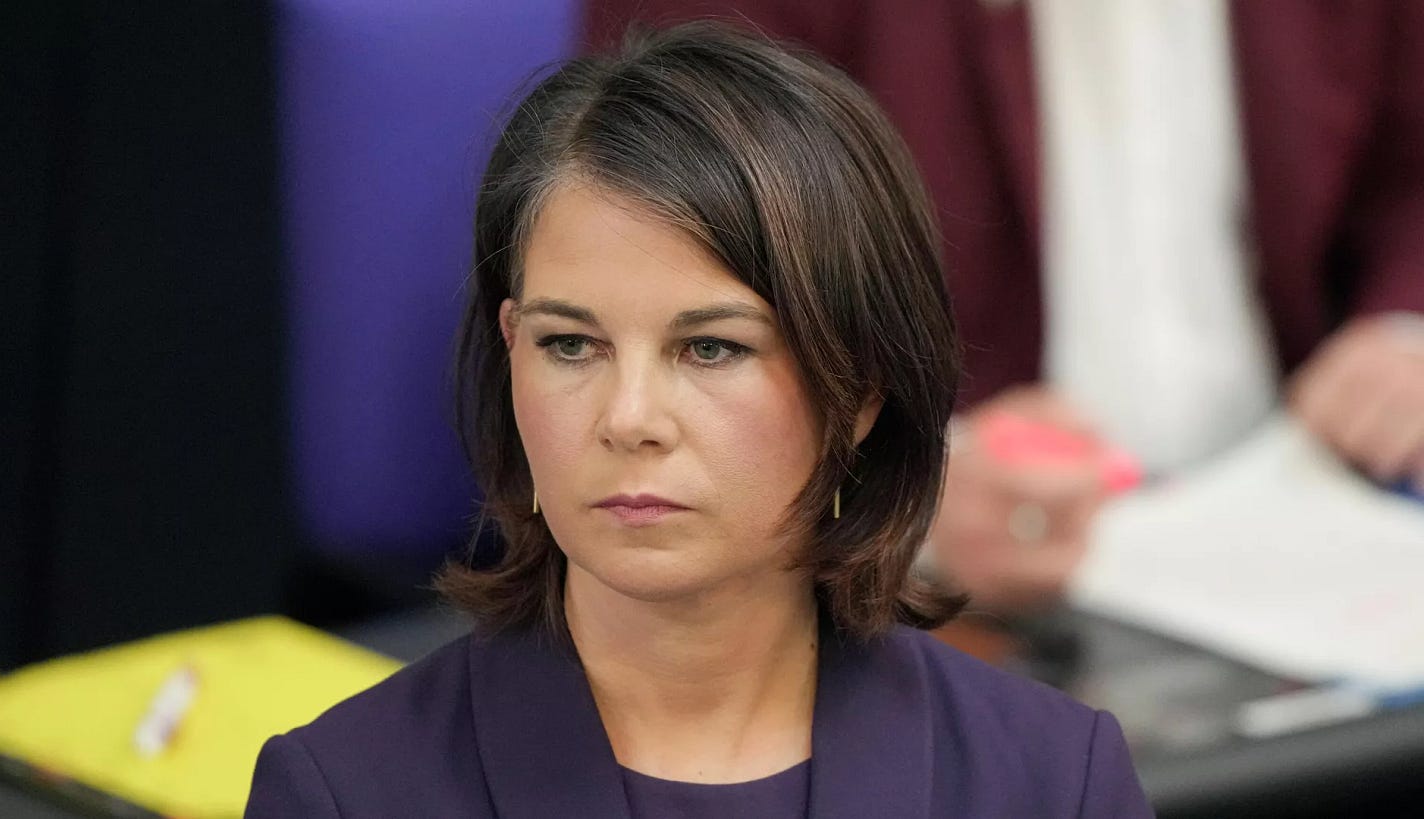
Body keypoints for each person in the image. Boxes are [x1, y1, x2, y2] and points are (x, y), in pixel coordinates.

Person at [244, 23, 1152, 818]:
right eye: (571, 344)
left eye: (710, 348)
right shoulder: (343, 792)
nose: (629, 418)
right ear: (511, 347)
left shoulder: (1052, 781)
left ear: (863, 386)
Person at [585, 0, 1424, 612]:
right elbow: (640, 294)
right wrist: (893, 498)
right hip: (914, 609)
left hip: (1310, 531)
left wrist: (1403, 327)